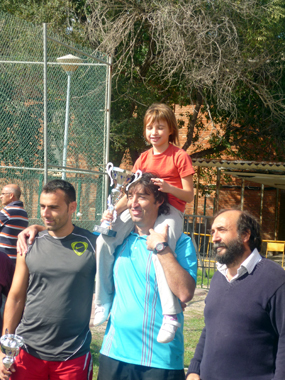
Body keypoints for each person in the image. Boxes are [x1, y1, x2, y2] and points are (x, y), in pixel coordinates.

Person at [95, 103, 195, 344]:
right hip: (142, 207)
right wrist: (111, 213)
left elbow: (189, 195)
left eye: (160, 127)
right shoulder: (142, 158)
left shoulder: (179, 156)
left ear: (170, 129)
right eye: (150, 127)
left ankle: (170, 314)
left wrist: (169, 188)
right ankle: (103, 300)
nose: (154, 132)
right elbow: (130, 192)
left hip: (170, 212)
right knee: (104, 239)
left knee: (160, 247)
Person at [97, 172, 197, 380]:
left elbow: (185, 293)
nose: (133, 203)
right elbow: (72, 240)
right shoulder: (117, 239)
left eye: (141, 197)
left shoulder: (180, 242)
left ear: (159, 200)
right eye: (130, 196)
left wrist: (162, 249)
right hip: (114, 353)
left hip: (160, 360)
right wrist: (38, 229)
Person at [0, 180, 96, 380]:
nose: (45, 213)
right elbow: (16, 297)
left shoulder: (93, 245)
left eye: (53, 207)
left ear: (72, 207)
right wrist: (5, 348)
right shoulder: (29, 243)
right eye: (42, 206)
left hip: (73, 354)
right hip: (27, 351)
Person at [186, 209, 285, 380]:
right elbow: (210, 327)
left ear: (245, 235)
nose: (214, 238)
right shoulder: (219, 276)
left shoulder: (274, 278)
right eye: (213, 232)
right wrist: (195, 369)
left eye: (222, 230)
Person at [0, 184, 28, 261]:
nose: (1, 196)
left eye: (3, 194)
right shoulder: (23, 212)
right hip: (16, 257)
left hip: (3, 257)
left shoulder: (8, 211)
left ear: (11, 195)